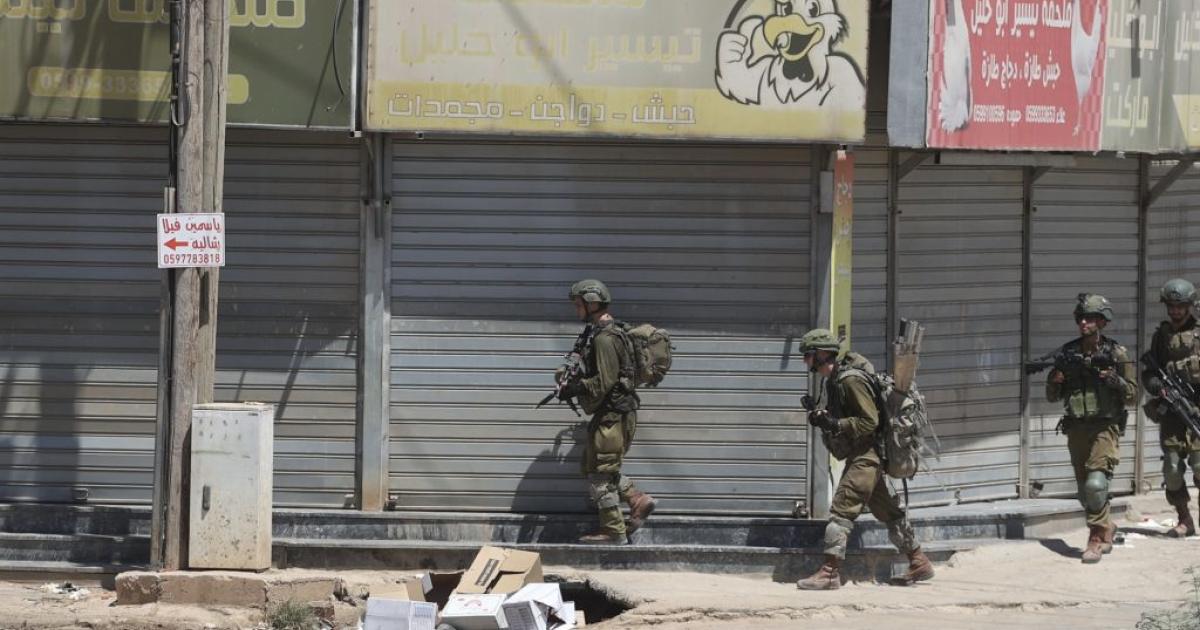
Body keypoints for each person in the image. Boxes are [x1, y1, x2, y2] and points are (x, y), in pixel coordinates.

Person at [795, 329, 933, 590]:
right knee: (888, 511)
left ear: (822, 354)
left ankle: (829, 572)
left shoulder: (850, 381)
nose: (805, 361)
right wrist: (821, 416)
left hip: (867, 456)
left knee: (841, 510)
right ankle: (918, 560)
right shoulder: (834, 380)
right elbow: (842, 419)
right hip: (863, 454)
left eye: (808, 355)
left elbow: (869, 422)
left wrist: (836, 423)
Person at [558, 279, 657, 544]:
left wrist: (576, 387)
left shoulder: (604, 339)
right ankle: (637, 499)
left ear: (591, 303)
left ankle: (613, 530)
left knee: (600, 474)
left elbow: (604, 382)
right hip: (612, 414)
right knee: (594, 467)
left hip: (613, 415)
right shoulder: (608, 332)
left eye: (579, 305)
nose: (576, 309)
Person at [1046, 293, 1138, 563]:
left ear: (1102, 321)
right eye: (1081, 318)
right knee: (1084, 492)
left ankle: (1095, 539)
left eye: (1090, 318)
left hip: (1105, 427)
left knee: (1096, 485)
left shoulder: (1116, 353)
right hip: (1076, 428)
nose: (1084, 323)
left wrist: (1115, 381)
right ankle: (1107, 526)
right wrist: (1055, 380)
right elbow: (1052, 396)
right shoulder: (1067, 353)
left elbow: (1133, 395)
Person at [1141, 279, 1200, 538]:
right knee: (1172, 469)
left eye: (1181, 306)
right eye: (1171, 306)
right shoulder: (1161, 336)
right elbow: (1149, 372)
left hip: (1196, 408)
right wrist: (1157, 386)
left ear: (1190, 306)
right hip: (1172, 411)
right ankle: (1184, 519)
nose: (1175, 311)